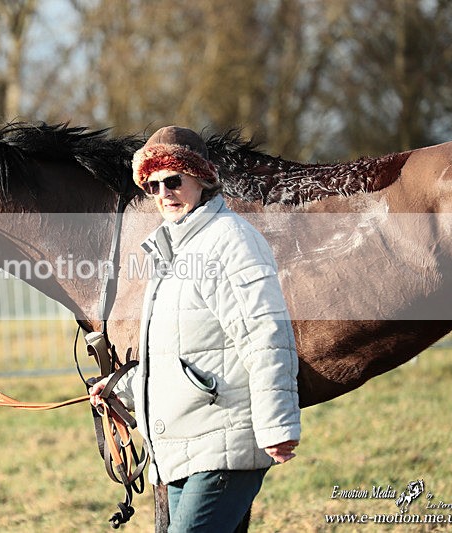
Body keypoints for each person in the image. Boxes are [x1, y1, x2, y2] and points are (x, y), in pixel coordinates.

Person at [90, 126, 301, 532]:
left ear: (202, 180)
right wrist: (123, 389)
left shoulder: (229, 240)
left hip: (223, 442)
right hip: (185, 447)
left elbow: (266, 335)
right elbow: (180, 354)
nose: (164, 193)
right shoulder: (174, 251)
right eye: (153, 186)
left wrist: (277, 423)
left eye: (173, 180)